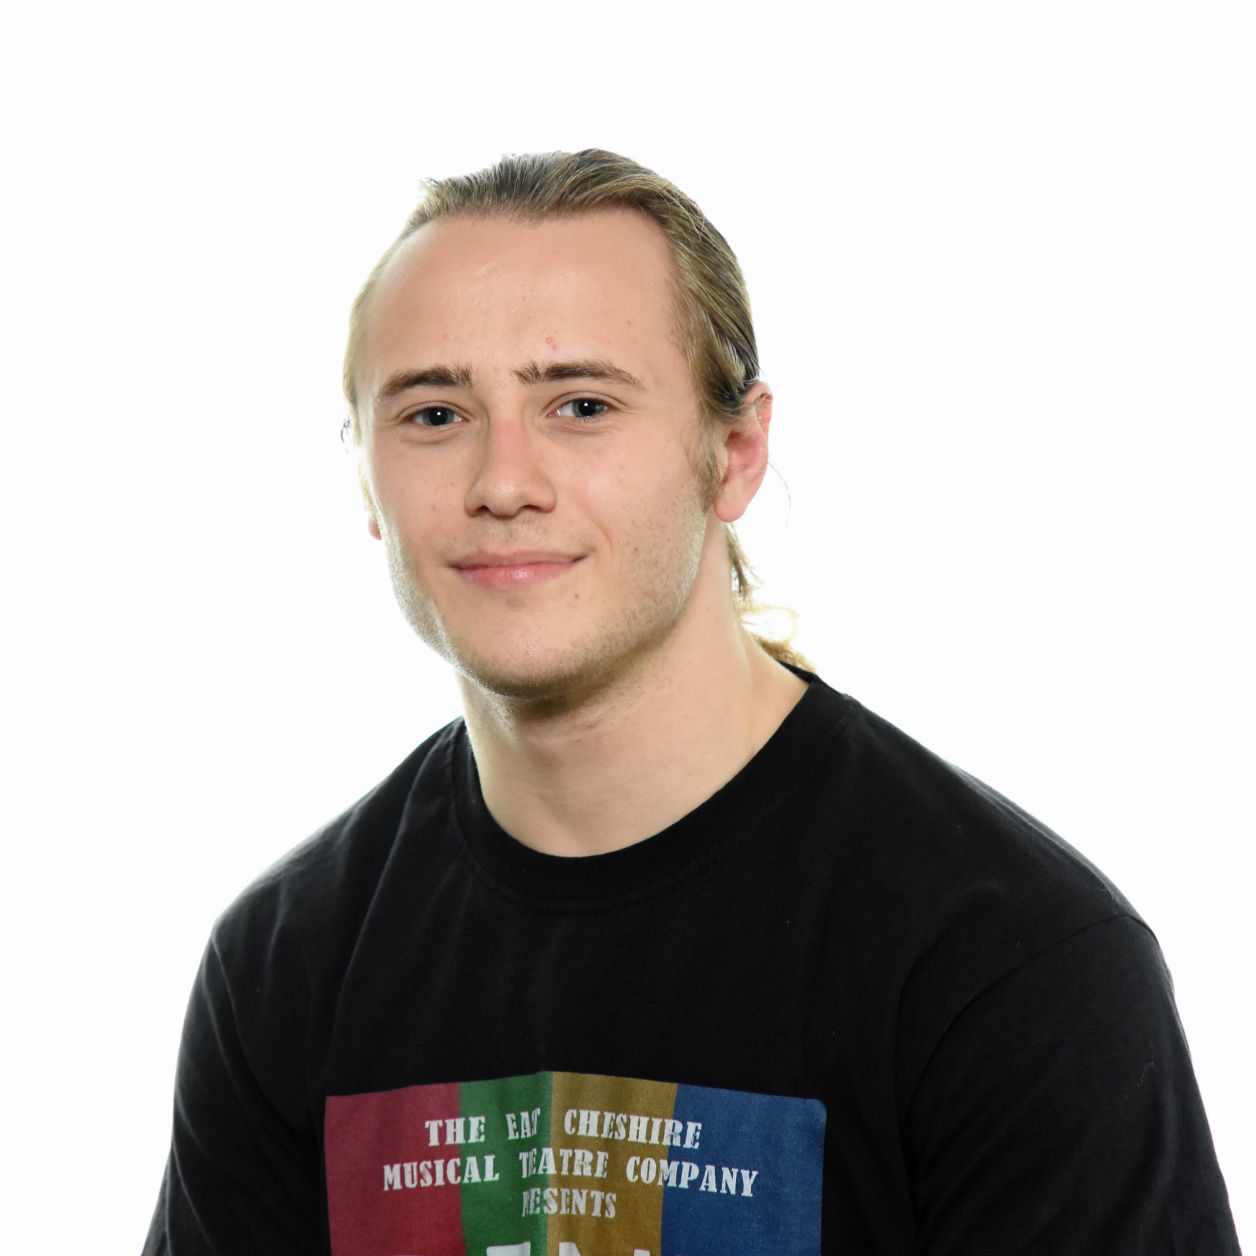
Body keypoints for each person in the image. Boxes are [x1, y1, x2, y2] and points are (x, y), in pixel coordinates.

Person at [144, 150, 1239, 1255]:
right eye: (433, 413)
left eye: (579, 403)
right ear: (365, 479)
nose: (502, 479)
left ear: (734, 451)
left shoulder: (1006, 960)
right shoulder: (286, 963)